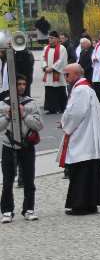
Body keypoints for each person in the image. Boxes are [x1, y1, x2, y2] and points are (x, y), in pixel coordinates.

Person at [59, 64, 100, 215]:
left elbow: (75, 113)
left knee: (81, 172)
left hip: (83, 137)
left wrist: (64, 123)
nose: (65, 78)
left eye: (67, 75)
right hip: (88, 136)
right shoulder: (86, 88)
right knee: (91, 171)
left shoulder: (80, 90)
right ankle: (91, 203)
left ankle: (80, 205)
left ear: (75, 74)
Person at [0, 74, 42, 223]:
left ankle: (29, 209)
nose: (22, 86)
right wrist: (7, 117)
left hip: (26, 146)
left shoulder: (31, 103)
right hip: (9, 146)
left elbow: (38, 125)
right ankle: (6, 211)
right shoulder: (3, 104)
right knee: (7, 181)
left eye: (24, 84)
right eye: (19, 84)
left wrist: (24, 115)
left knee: (29, 180)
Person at [41, 31, 69, 114]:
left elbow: (62, 60)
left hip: (58, 74)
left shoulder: (62, 48)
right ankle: (51, 108)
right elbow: (43, 58)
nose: (49, 39)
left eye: (52, 38)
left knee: (59, 90)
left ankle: (61, 107)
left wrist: (52, 68)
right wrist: (45, 67)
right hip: (48, 74)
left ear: (57, 39)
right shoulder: (46, 48)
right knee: (49, 91)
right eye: (49, 38)